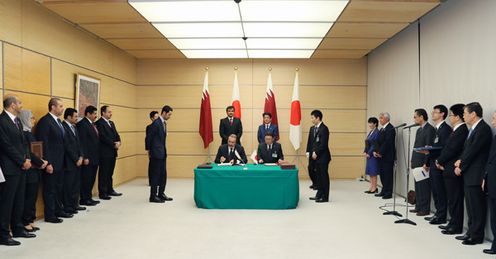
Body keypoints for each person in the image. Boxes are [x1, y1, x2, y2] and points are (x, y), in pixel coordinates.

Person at [0, 95, 37, 245]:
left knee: (19, 200)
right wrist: (22, 161)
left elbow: (23, 143)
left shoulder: (17, 121)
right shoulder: (2, 121)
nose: (21, 105)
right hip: (9, 167)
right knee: (7, 202)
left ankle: (18, 228)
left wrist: (27, 159)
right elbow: (5, 145)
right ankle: (3, 234)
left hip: (22, 167)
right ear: (12, 105)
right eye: (19, 103)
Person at [454, 102, 492, 245]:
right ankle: (470, 232)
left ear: (473, 114)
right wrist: (459, 160)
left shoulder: (483, 129)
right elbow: (466, 150)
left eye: (464, 113)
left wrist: (461, 164)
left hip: (476, 174)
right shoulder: (473, 129)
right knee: (470, 205)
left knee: (477, 207)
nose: (463, 116)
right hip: (469, 173)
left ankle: (476, 236)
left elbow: (473, 151)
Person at [36, 98, 72, 223]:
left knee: (59, 188)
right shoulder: (45, 122)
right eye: (60, 106)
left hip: (61, 162)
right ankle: (50, 215)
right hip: (51, 163)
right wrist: (48, 163)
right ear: (53, 107)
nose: (62, 108)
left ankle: (59, 210)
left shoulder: (59, 122)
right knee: (50, 190)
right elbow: (43, 144)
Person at [436, 104, 468, 235]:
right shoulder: (455, 130)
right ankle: (452, 222)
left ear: (457, 117)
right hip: (448, 168)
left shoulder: (462, 130)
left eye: (450, 115)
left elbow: (451, 149)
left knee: (455, 199)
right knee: (451, 198)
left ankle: (456, 225)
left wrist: (439, 160)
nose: (449, 117)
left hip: (453, 169)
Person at [18, 110, 46, 232]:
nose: (34, 120)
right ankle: (25, 221)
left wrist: (41, 161)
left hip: (35, 169)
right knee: (28, 197)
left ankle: (30, 220)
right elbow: (29, 153)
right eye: (31, 118)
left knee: (32, 196)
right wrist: (41, 162)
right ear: (24, 119)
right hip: (29, 170)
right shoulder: (24, 133)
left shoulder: (29, 132)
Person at [424, 105, 452, 225]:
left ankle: (441, 216)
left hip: (439, 163)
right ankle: (437, 213)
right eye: (433, 111)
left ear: (442, 114)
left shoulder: (445, 129)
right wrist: (427, 160)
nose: (433, 114)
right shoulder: (436, 129)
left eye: (435, 112)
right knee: (435, 190)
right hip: (433, 161)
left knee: (440, 191)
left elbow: (445, 148)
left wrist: (436, 158)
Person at [410, 108, 435, 216]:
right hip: (416, 161)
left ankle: (425, 209)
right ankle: (418, 206)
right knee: (418, 186)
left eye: (415, 116)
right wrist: (412, 159)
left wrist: (426, 162)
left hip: (423, 162)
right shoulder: (419, 129)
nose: (414, 118)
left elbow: (429, 147)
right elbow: (416, 146)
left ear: (421, 117)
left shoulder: (429, 129)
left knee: (424, 187)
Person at [146, 105, 174, 203]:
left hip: (162, 153)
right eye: (169, 114)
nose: (169, 116)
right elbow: (148, 138)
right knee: (155, 175)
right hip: (156, 154)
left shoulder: (164, 123)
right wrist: (149, 151)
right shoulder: (155, 123)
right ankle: (153, 196)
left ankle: (161, 193)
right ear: (164, 113)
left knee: (163, 174)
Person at [62, 108, 85, 215]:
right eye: (75, 116)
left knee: (76, 184)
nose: (77, 118)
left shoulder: (75, 127)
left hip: (78, 161)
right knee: (68, 185)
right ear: (69, 117)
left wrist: (81, 156)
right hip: (69, 162)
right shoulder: (63, 127)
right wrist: (76, 159)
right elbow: (67, 146)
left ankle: (75, 204)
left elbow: (79, 144)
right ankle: (68, 206)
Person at [95, 105, 122, 200]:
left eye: (111, 112)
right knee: (104, 173)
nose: (111, 114)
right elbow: (102, 137)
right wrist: (113, 144)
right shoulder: (99, 123)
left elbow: (116, 134)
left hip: (113, 152)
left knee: (110, 172)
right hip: (104, 152)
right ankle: (103, 192)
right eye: (109, 112)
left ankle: (110, 189)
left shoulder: (111, 123)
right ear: (103, 113)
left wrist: (119, 142)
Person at [77, 105, 100, 207]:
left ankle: (89, 197)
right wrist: (85, 156)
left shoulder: (92, 124)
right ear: (88, 114)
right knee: (86, 178)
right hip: (88, 157)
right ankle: (84, 199)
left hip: (95, 157)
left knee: (91, 178)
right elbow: (82, 142)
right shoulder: (82, 124)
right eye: (94, 114)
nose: (96, 115)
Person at [306, 110, 331, 203]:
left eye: (312, 117)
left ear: (318, 118)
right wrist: (309, 152)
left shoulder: (324, 129)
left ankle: (325, 197)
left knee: (324, 177)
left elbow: (323, 144)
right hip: (315, 157)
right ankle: (319, 195)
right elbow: (311, 142)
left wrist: (316, 152)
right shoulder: (313, 128)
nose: (311, 119)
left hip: (323, 157)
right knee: (319, 177)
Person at [373, 112, 396, 199]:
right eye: (380, 118)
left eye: (381, 118)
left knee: (388, 175)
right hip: (380, 156)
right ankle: (383, 190)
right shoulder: (382, 129)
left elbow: (387, 143)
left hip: (387, 156)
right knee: (382, 174)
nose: (380, 120)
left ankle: (388, 192)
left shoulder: (390, 128)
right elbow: (377, 141)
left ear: (387, 119)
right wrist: (376, 151)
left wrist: (380, 152)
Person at [483, 111, 496, 255]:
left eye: (494, 119)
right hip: (492, 181)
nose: (492, 122)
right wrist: (485, 177)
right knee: (494, 216)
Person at [364, 117, 380, 194]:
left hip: (373, 155)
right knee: (370, 172)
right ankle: (371, 187)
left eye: (371, 123)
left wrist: (369, 153)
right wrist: (364, 151)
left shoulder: (377, 132)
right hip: (368, 155)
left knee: (373, 172)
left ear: (375, 124)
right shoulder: (371, 132)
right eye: (369, 123)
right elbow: (367, 143)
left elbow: (374, 145)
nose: (369, 124)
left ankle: (374, 188)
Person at [146, 111, 159, 186]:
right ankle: (151, 181)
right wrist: (148, 150)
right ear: (151, 118)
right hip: (152, 149)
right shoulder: (149, 127)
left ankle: (158, 181)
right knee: (152, 165)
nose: (157, 119)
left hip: (159, 150)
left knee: (158, 166)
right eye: (156, 117)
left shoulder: (161, 126)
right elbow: (147, 139)